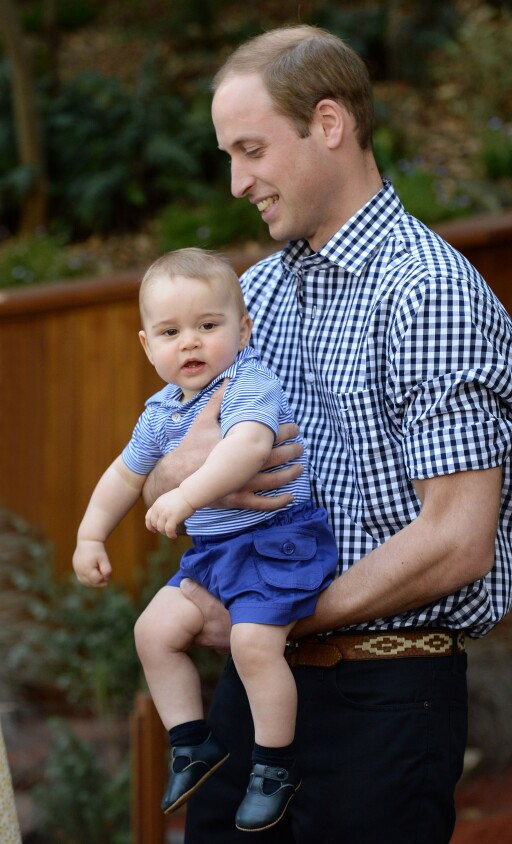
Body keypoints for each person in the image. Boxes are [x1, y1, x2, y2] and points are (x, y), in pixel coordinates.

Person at [143, 25, 512, 844]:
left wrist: (285, 614)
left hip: (386, 702)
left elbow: (459, 540)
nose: (239, 181)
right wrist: (182, 469)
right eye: (228, 155)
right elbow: (158, 474)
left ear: (328, 124)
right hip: (252, 690)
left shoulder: (430, 295)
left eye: (252, 149)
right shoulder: (251, 298)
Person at [72, 248, 337, 831]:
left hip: (275, 542)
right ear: (147, 346)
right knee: (153, 631)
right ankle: (192, 744)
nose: (189, 343)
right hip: (214, 556)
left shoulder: (249, 382)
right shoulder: (161, 410)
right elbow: (124, 474)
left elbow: (245, 447)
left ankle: (274, 764)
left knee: (252, 646)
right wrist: (91, 535)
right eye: (171, 332)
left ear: (242, 330)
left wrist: (186, 496)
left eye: (207, 326)